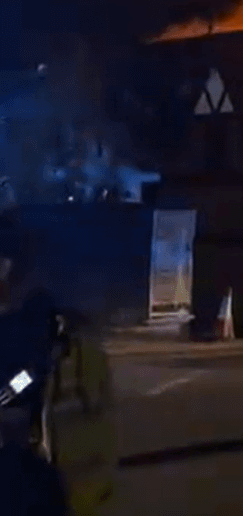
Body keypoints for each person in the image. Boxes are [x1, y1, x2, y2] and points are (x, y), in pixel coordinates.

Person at [0, 210, 117, 516]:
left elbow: (25, 378)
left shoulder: (33, 332)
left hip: (33, 482)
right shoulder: (55, 327)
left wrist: (7, 396)